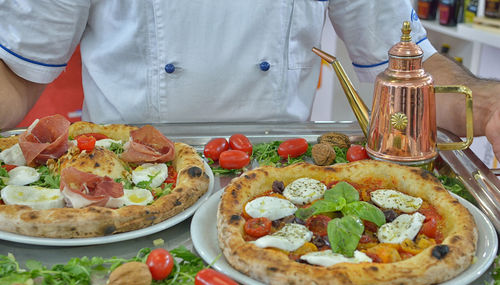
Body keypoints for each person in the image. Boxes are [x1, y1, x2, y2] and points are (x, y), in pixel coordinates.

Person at [0, 1, 499, 160]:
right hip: (122, 176)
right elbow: (17, 76)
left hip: (279, 171)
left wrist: (486, 103)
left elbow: (408, 67)